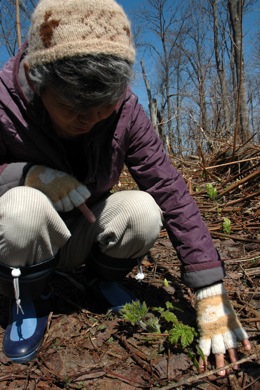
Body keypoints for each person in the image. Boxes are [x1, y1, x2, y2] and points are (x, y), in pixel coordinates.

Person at [0, 0, 250, 373]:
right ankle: (29, 299)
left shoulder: (127, 112)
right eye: (76, 109)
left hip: (84, 226)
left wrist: (209, 287)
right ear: (38, 80)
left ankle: (100, 282)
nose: (90, 121)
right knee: (21, 207)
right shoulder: (6, 104)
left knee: (143, 210)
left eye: (103, 109)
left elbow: (169, 188)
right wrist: (27, 174)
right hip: (29, 236)